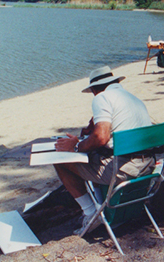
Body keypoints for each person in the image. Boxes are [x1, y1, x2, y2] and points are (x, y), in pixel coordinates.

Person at [54, 66, 154, 234]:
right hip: (148, 167)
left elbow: (101, 137)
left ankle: (91, 212)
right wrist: (88, 138)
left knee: (61, 161)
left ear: (94, 90)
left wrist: (76, 146)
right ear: (115, 82)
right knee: (94, 154)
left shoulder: (102, 98)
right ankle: (103, 208)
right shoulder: (134, 99)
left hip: (123, 170)